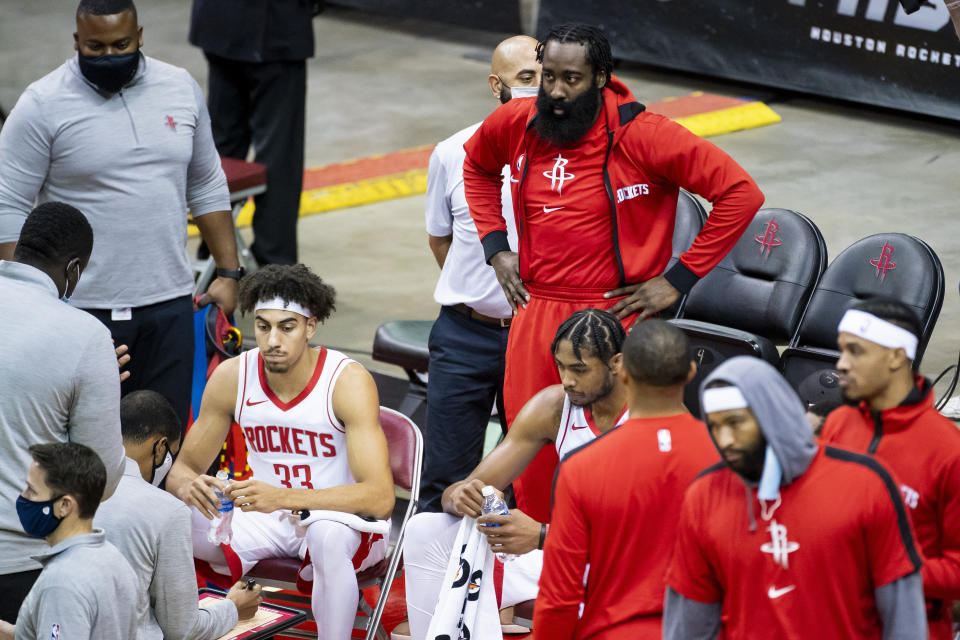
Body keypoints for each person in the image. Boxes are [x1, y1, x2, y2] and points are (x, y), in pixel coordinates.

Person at [462, 23, 764, 521]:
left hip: (614, 314)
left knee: (616, 461)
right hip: (536, 310)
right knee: (531, 452)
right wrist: (496, 246)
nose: (556, 92)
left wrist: (678, 279)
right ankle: (536, 577)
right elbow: (476, 167)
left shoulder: (645, 134)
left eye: (572, 79)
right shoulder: (518, 119)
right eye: (549, 77)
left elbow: (740, 194)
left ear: (601, 77)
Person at [0, 0, 241, 428]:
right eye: (95, 47)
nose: (109, 56)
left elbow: (205, 182)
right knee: (81, 446)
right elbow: (7, 203)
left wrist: (228, 273)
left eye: (121, 44)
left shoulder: (180, 88)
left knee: (164, 442)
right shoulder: (42, 104)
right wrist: (23, 300)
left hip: (169, 304)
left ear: (140, 36)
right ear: (76, 41)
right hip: (78, 310)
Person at [167, 264, 395, 640]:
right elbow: (183, 467)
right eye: (263, 326)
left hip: (341, 519)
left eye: (286, 327)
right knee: (165, 518)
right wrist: (190, 487)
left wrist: (282, 497)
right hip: (262, 515)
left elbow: (380, 498)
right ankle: (180, 629)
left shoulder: (346, 381)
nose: (272, 339)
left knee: (327, 536)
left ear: (311, 326)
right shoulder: (232, 376)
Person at [402, 309, 629, 640]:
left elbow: (645, 539)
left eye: (579, 369)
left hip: (621, 569)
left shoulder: (649, 418)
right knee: (427, 528)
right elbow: (470, 487)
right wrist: (460, 497)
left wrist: (541, 535)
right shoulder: (554, 406)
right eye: (561, 367)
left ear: (617, 364)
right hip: (561, 553)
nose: (567, 380)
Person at [664, 356, 927, 639]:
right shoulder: (705, 495)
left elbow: (902, 610)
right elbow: (689, 623)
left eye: (735, 422)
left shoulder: (865, 482)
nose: (725, 439)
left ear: (771, 414)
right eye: (715, 426)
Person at [534, 320, 718, 639]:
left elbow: (560, 597)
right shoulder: (726, 460)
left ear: (625, 374)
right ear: (690, 373)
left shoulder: (581, 467)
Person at [420, 35, 540, 513]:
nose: (538, 91)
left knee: (527, 478)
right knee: (445, 476)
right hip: (464, 334)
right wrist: (478, 292)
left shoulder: (572, 155)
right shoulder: (453, 152)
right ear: (497, 86)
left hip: (535, 335)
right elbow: (439, 238)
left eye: (545, 78)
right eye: (526, 79)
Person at [0, 202, 125, 623]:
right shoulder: (86, 337)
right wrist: (97, 393)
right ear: (74, 270)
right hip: (22, 563)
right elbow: (98, 478)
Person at [820, 298, 960, 639]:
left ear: (897, 356)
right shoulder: (838, 423)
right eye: (841, 351)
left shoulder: (948, 451)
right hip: (831, 618)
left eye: (856, 351)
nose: (842, 364)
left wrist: (885, 571)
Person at [95, 391, 262, 640]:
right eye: (172, 454)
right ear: (160, 447)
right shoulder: (166, 511)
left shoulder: (72, 484)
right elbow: (183, 629)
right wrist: (234, 607)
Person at [189, 0, 317, 266]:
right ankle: (275, 270)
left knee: (222, 148)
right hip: (276, 25)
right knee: (278, 157)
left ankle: (216, 259)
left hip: (220, 22)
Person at [0, 443, 138, 640]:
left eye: (31, 490)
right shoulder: (114, 559)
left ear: (64, 505)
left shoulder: (61, 582)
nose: (23, 497)